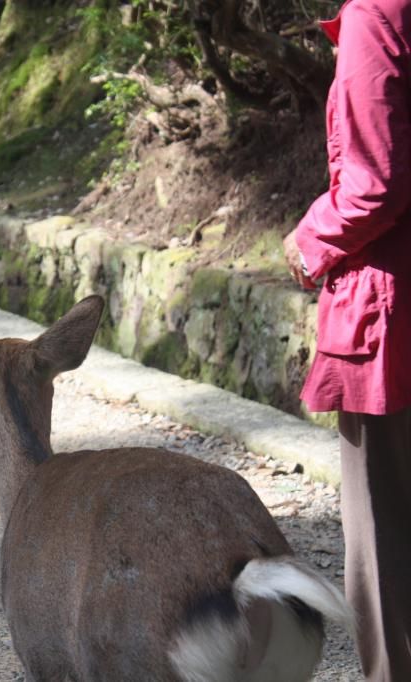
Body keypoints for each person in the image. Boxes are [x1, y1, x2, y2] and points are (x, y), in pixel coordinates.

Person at [284, 0, 411, 679]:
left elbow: (373, 185)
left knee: (384, 537)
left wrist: (308, 241)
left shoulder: (377, 15)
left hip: (392, 321)